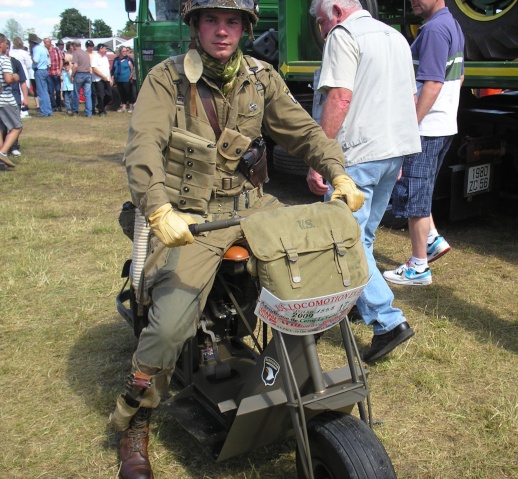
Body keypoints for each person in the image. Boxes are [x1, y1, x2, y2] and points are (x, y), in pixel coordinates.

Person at [109, 1, 364, 477]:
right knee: (166, 328)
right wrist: (160, 208)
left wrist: (338, 173)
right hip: (193, 216)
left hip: (252, 205)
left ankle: (293, 369)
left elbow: (303, 130)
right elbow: (143, 143)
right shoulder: (166, 79)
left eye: (231, 22)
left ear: (245, 28)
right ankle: (134, 421)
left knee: (318, 269)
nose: (221, 31)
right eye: (211, 20)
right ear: (195, 25)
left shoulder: (261, 77)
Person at [307, 0, 421, 363]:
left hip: (357, 156)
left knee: (343, 241)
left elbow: (340, 98)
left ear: (336, 12)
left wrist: (319, 159)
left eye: (322, 23)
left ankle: (388, 321)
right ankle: (353, 302)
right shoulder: (395, 37)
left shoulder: (344, 34)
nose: (322, 32)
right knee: (363, 238)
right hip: (392, 151)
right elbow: (409, 97)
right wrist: (398, 154)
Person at [382, 0, 464, 286]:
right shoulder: (450, 24)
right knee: (423, 187)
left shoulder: (433, 31)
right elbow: (460, 75)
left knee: (414, 195)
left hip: (426, 128)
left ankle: (419, 267)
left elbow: (432, 84)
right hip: (442, 125)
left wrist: (409, 127)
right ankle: (432, 241)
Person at [0, 34, 22, 170]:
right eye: (5, 43)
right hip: (5, 99)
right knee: (17, 126)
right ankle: (3, 152)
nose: (7, 46)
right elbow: (8, 79)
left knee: (0, 128)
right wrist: (16, 76)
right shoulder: (4, 60)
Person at [5, 40, 28, 157]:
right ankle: (4, 149)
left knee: (15, 124)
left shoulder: (15, 62)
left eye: (8, 47)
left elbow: (22, 81)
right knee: (2, 125)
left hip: (14, 96)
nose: (6, 49)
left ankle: (14, 147)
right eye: (5, 47)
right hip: (3, 98)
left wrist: (25, 97)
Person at [28, 33, 52, 117]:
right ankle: (48, 110)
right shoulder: (42, 48)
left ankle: (44, 111)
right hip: (44, 70)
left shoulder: (36, 49)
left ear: (31, 42)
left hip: (39, 70)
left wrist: (31, 57)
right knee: (45, 92)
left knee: (41, 92)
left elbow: (36, 60)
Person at [70, 39, 93, 117]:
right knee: (88, 95)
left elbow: (75, 66)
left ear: (74, 46)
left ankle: (75, 111)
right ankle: (89, 112)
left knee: (76, 93)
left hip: (79, 74)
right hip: (88, 75)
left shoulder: (76, 53)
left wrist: (72, 75)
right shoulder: (86, 53)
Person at [90, 43, 112, 117]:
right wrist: (102, 76)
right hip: (98, 79)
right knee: (100, 95)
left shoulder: (105, 57)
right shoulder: (95, 57)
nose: (106, 50)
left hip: (107, 79)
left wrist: (110, 78)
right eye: (105, 48)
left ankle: (100, 106)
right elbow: (94, 69)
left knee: (109, 95)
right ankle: (101, 111)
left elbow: (108, 68)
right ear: (100, 49)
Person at [112, 46, 134, 112]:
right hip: (118, 79)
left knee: (128, 93)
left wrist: (131, 76)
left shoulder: (129, 59)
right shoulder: (116, 59)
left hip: (126, 79)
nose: (125, 52)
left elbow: (132, 69)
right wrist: (112, 77)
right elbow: (113, 69)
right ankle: (123, 107)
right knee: (121, 93)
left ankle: (130, 107)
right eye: (123, 51)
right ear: (120, 52)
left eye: (125, 51)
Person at [44, 37, 64, 112]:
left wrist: (60, 69)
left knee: (58, 90)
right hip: (49, 73)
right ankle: (53, 106)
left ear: (50, 42)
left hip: (56, 72)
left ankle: (59, 105)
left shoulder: (56, 50)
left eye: (47, 42)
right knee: (51, 91)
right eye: (45, 42)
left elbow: (61, 59)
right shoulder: (45, 51)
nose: (45, 44)